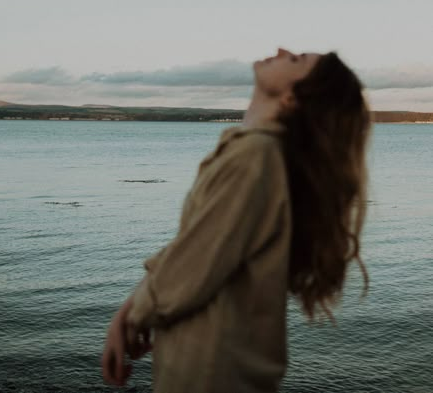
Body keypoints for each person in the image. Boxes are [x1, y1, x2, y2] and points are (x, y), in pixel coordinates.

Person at [102, 47, 371, 392]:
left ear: (291, 98)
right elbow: (194, 246)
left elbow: (192, 267)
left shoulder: (254, 157)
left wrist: (129, 320)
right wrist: (131, 309)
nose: (282, 50)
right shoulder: (258, 154)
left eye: (295, 60)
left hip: (212, 374)